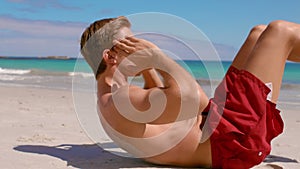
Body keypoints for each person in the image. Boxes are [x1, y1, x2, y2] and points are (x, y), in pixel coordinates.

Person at [80, 16, 300, 168]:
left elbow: (158, 101)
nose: (140, 46)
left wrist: (147, 68)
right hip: (232, 140)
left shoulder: (114, 99)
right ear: (110, 57)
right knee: (280, 31)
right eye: (132, 43)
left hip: (220, 126)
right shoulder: (119, 101)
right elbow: (194, 100)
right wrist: (157, 57)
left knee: (258, 34)